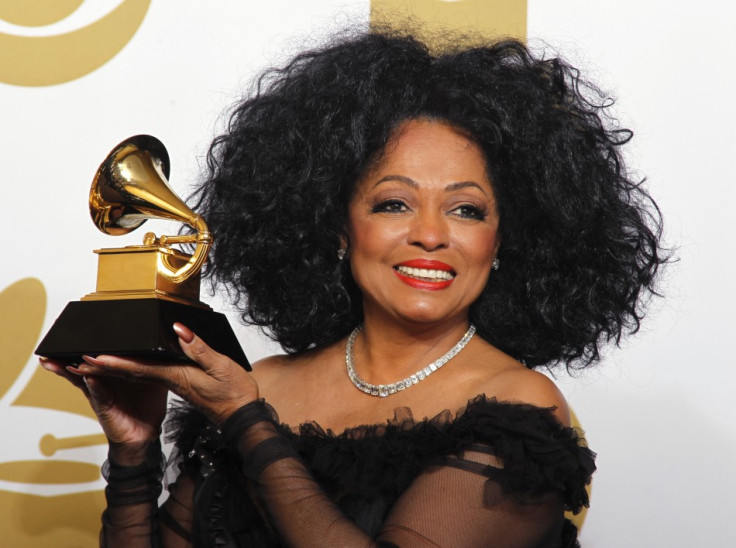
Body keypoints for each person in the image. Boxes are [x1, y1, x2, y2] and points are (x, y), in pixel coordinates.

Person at [41, 29, 665, 547]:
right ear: (338, 228)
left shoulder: (517, 405)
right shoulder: (267, 382)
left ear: (502, 243)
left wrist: (244, 420)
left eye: (467, 211)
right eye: (394, 204)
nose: (430, 235)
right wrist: (133, 451)